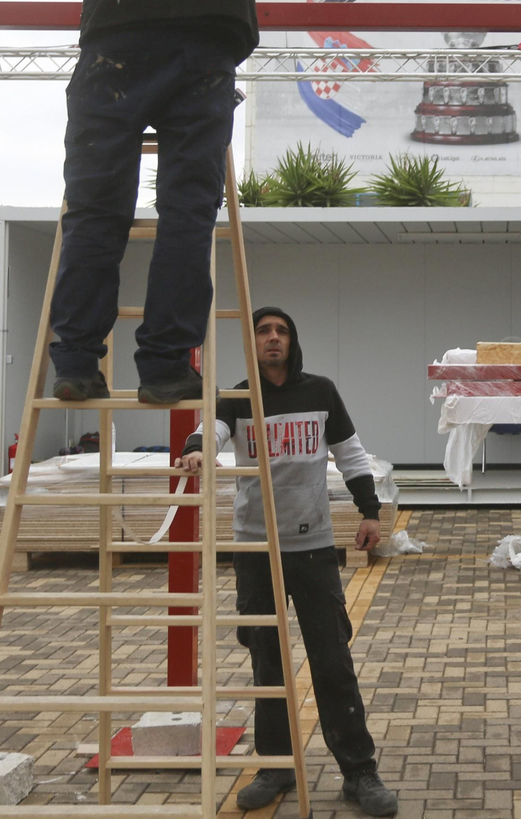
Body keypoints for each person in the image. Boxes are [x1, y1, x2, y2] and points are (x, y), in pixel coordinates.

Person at [31, 0, 304, 406]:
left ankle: (75, 364)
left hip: (120, 45)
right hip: (208, 52)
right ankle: (163, 367)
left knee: (98, 208)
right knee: (187, 212)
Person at [178, 307, 398, 816]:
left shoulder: (319, 392)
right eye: (263, 331)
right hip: (256, 552)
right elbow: (208, 431)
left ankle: (360, 772)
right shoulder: (235, 397)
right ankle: (276, 767)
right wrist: (195, 451)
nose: (273, 338)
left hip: (314, 549)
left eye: (281, 331)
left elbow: (350, 453)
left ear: (292, 341)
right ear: (252, 343)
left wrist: (370, 512)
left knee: (332, 660)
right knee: (267, 664)